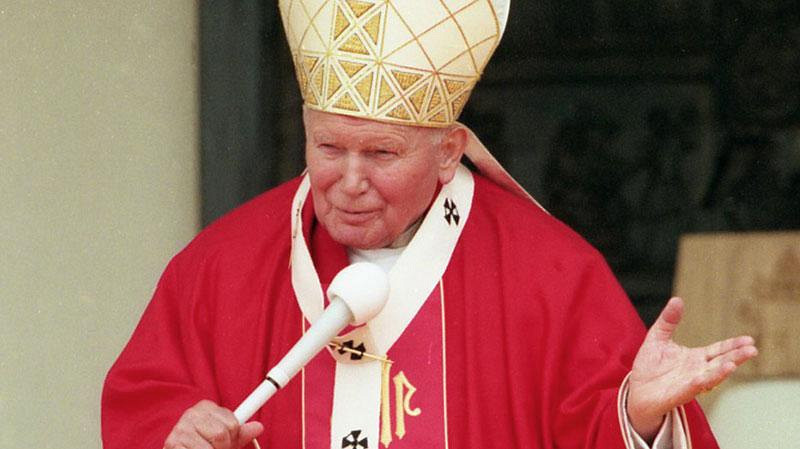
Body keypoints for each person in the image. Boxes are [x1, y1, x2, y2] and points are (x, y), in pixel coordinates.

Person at [102, 1, 757, 448]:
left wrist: (638, 419)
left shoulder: (551, 275)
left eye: (381, 153)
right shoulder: (223, 266)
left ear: (449, 150)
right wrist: (175, 432)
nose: (349, 180)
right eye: (328, 148)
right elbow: (147, 406)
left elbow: (599, 429)